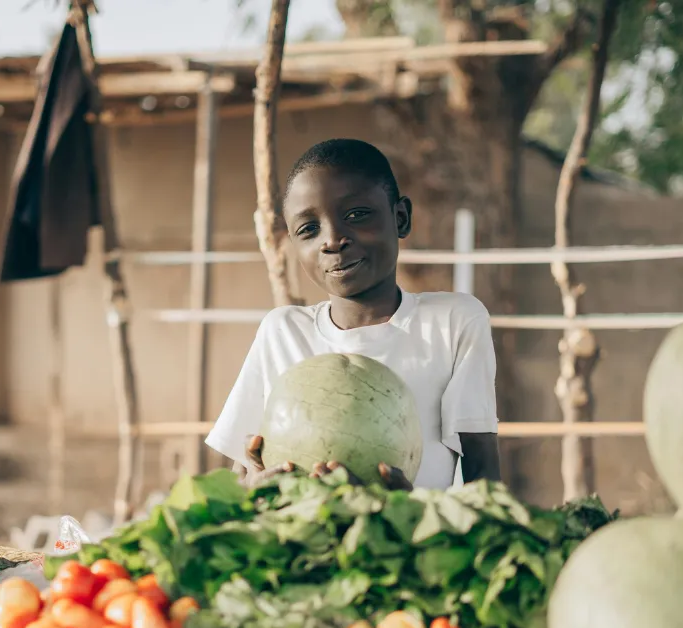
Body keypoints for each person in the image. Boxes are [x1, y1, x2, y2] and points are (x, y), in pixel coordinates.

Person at [205, 138, 501, 490]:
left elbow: (484, 481)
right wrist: (255, 488)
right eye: (308, 229)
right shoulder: (282, 332)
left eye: (356, 215)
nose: (332, 239)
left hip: (412, 541)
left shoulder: (452, 322)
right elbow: (240, 476)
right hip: (304, 539)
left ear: (400, 217)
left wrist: (408, 507)